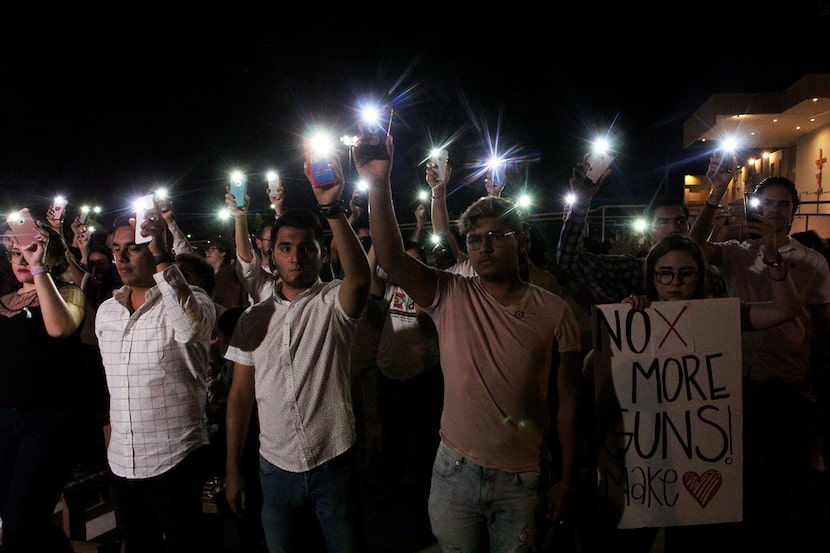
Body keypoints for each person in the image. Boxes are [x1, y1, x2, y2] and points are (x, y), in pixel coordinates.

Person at [364, 132, 583, 552]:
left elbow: (569, 400)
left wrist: (568, 480)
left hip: (525, 477)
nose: (485, 247)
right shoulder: (451, 294)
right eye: (475, 239)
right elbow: (391, 258)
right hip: (454, 470)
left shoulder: (556, 311)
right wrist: (378, 180)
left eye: (497, 236)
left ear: (521, 240)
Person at [223, 150, 372, 553]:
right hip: (275, 468)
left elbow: (359, 280)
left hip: (334, 463)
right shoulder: (253, 319)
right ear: (271, 256)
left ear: (322, 253)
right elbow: (239, 397)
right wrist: (233, 468)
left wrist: (332, 208)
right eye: (285, 248)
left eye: (307, 248)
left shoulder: (331, 304)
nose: (295, 257)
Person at [690, 158, 830, 550]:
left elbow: (822, 330)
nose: (773, 210)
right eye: (766, 203)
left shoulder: (812, 262)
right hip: (736, 378)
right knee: (740, 472)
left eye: (782, 204)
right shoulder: (736, 252)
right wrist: (715, 193)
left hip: (787, 380)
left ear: (793, 212)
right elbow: (694, 247)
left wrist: (818, 388)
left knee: (785, 477)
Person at [95, 210, 216, 553]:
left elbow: (194, 328)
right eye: (116, 248)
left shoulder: (190, 298)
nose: (120, 257)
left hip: (175, 455)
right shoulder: (107, 312)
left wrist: (164, 259)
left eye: (132, 248)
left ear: (156, 249)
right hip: (123, 460)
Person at [0, 223, 87, 553]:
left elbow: (59, 327)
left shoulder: (68, 293)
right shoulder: (4, 301)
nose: (20, 257)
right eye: (13, 251)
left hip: (50, 421)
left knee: (23, 519)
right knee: (16, 519)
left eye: (28, 249)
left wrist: (39, 269)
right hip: (6, 419)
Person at [557, 156, 728, 302]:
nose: (673, 228)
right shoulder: (630, 272)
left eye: (680, 221)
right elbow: (571, 260)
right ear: (648, 232)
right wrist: (582, 201)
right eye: (662, 222)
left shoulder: (711, 279)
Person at [205, 236, 249, 310]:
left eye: (212, 249)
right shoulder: (206, 275)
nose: (208, 252)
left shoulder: (232, 272)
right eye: (207, 250)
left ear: (223, 253)